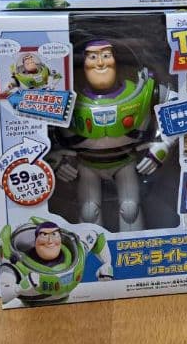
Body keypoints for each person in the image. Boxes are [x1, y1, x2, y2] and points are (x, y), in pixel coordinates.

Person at [52, 38, 174, 232]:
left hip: (126, 162)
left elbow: (178, 106)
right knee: (89, 211)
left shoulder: (143, 92)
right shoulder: (64, 100)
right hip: (87, 166)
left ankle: (134, 248)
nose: (100, 63)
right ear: (83, 62)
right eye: (93, 57)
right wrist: (53, 158)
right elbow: (38, 129)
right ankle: (92, 250)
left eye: (106, 56)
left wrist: (164, 144)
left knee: (130, 209)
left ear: (115, 60)